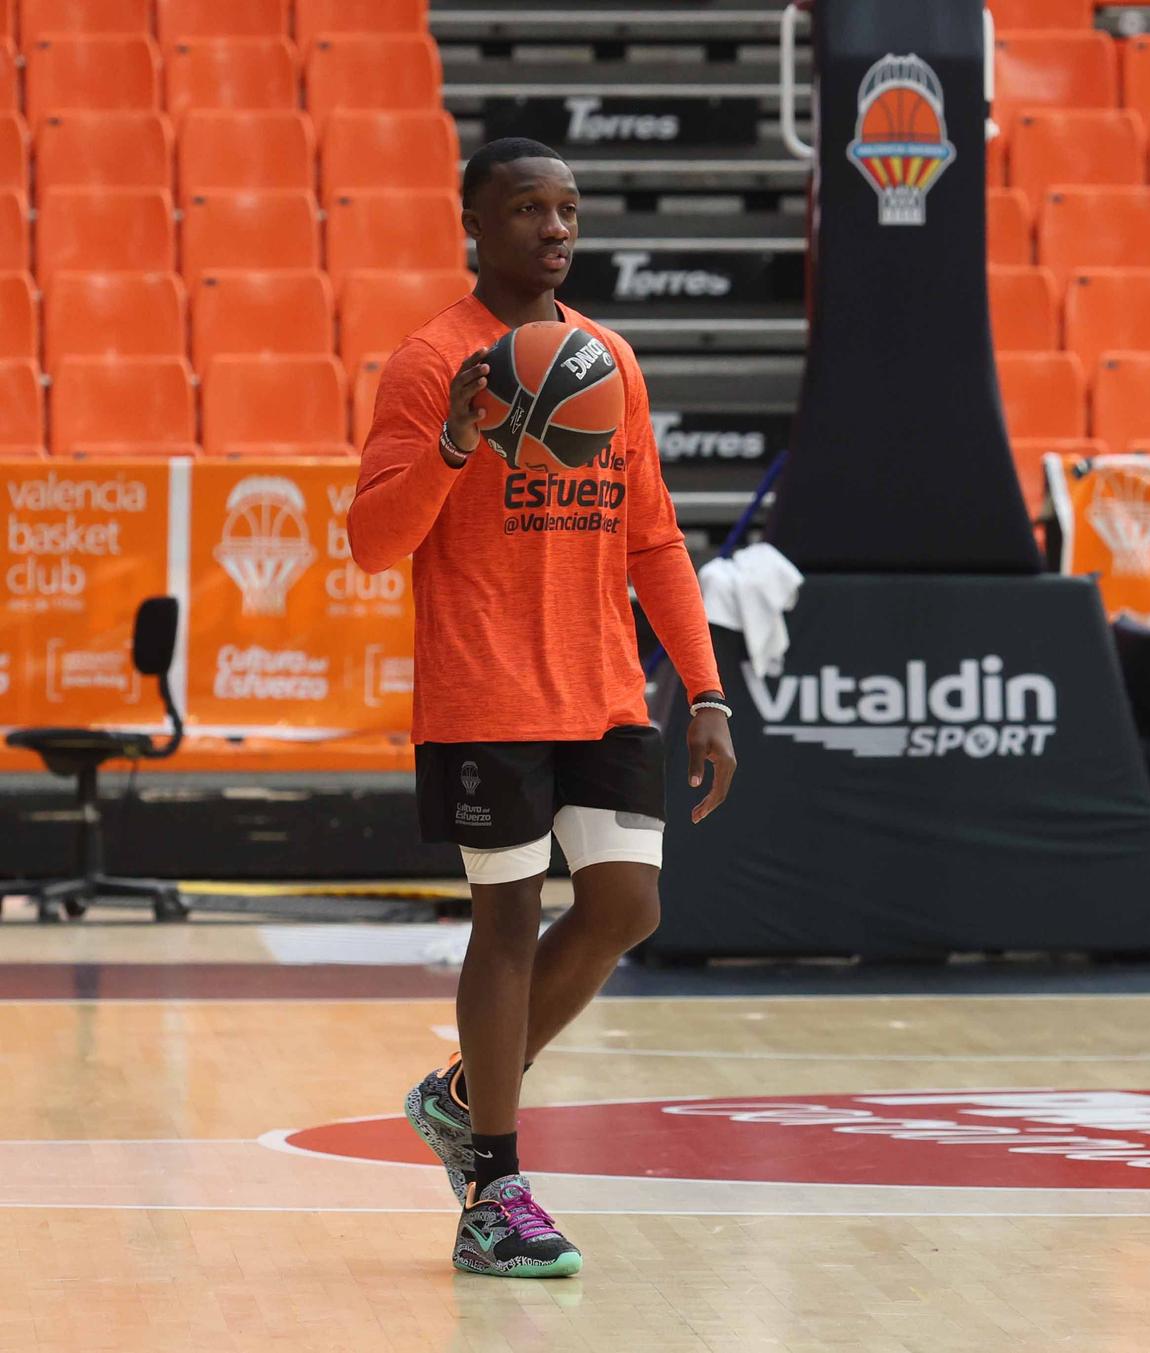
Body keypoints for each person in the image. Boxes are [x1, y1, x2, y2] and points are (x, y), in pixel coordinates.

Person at [350, 137, 736, 1275]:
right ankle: (493, 1188)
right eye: (527, 208)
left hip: (604, 686)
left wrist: (705, 689)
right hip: (486, 691)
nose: (555, 228)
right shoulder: (431, 363)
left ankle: (463, 1098)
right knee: (507, 925)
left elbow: (653, 535)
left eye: (567, 209)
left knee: (625, 908)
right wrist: (457, 443)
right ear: (474, 223)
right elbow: (375, 542)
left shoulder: (607, 360)